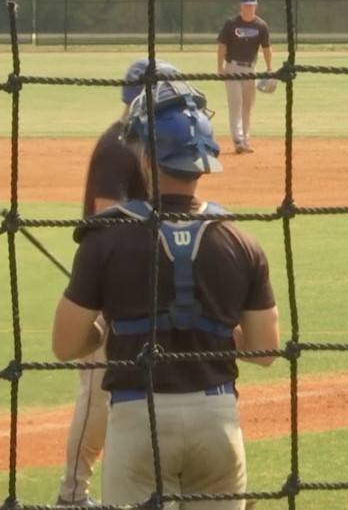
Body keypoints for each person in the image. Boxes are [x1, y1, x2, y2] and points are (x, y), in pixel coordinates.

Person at [51, 79, 280, 509]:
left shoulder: (106, 239)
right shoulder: (241, 241)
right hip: (217, 423)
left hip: (138, 421)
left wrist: (104, 331)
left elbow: (65, 344)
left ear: (148, 157)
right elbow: (265, 350)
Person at [54, 59, 158, 507]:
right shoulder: (118, 146)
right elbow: (106, 214)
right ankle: (72, 495)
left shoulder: (145, 144)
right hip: (108, 289)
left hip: (134, 285)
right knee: (98, 395)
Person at [216, 0, 273, 154]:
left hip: (250, 69)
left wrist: (269, 68)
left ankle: (245, 140)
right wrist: (220, 67)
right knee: (236, 103)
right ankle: (238, 140)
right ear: (241, 6)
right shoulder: (231, 24)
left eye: (251, 5)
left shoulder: (261, 25)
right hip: (233, 68)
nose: (248, 8)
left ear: (256, 6)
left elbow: (267, 48)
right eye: (246, 5)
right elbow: (222, 47)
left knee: (247, 106)